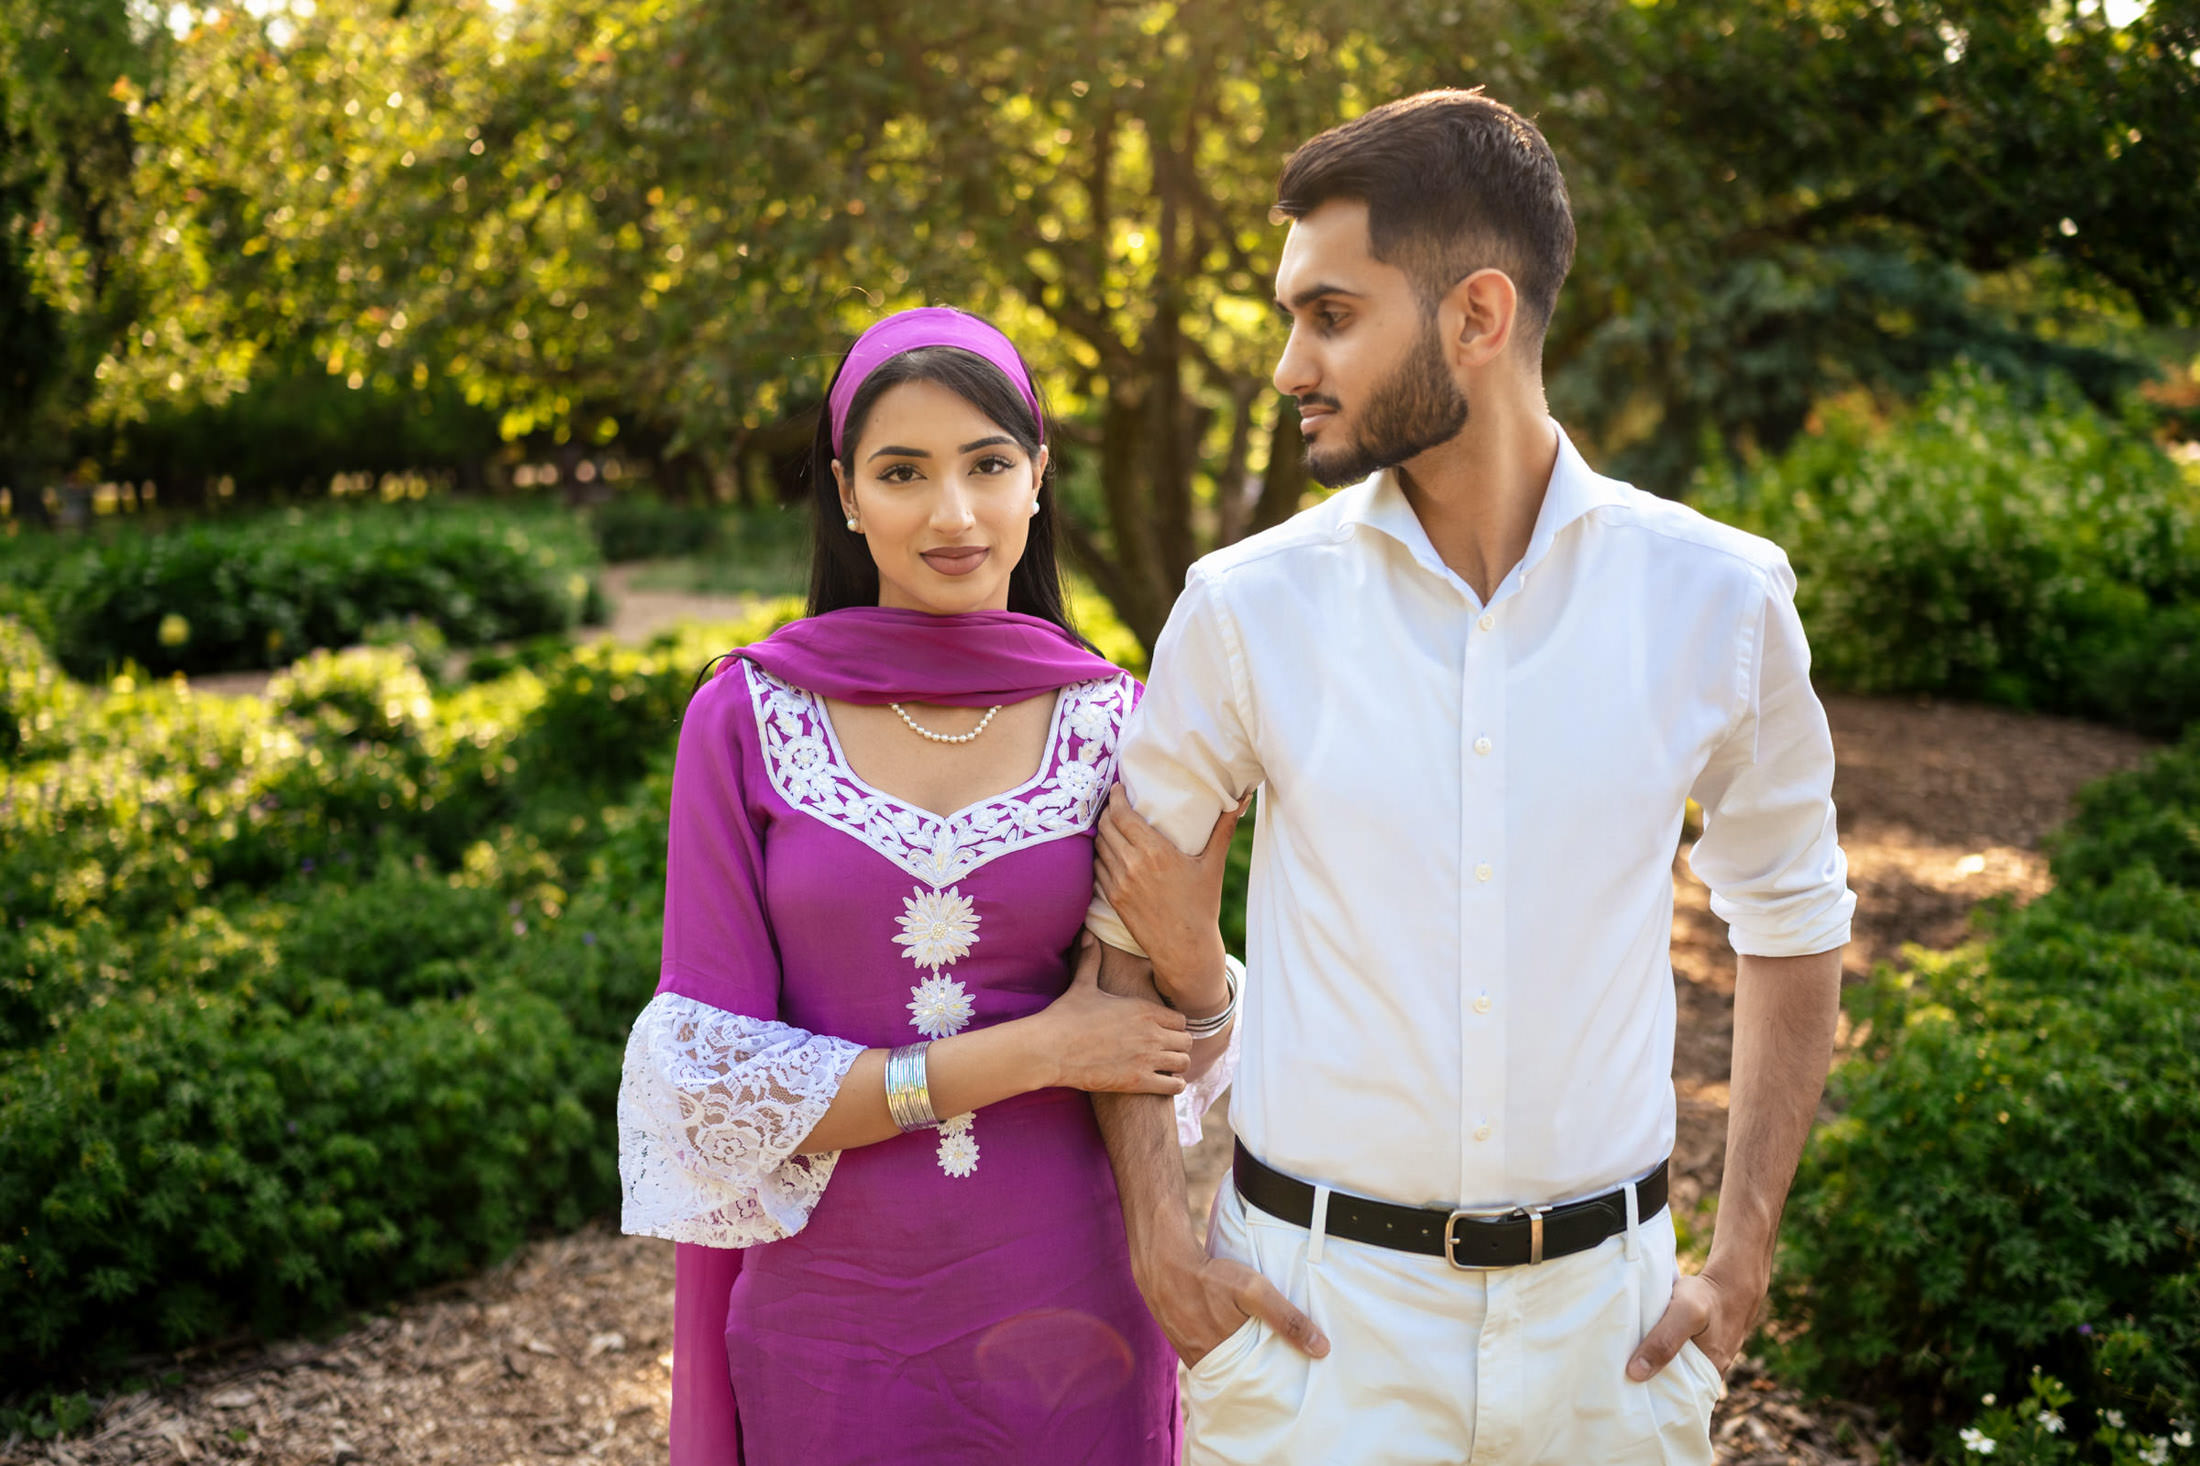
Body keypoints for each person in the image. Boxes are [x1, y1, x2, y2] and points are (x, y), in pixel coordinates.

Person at [1084, 90, 1856, 1465]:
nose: (1287, 364)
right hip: (1316, 1335)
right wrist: (1158, 1232)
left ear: (1477, 318)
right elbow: (1121, 944)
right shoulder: (1243, 608)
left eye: (1329, 315)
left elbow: (1793, 919)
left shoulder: (1720, 600)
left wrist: (1741, 1259)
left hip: (1607, 1351)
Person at [615, 306, 1236, 1465]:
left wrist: (1197, 978)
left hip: (1075, 1305)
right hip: (830, 1319)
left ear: (1039, 479)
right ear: (846, 492)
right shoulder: (748, 718)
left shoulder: (1118, 724)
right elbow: (714, 1091)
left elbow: (1161, 1045)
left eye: (988, 464)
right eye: (903, 471)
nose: (952, 514)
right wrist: (1042, 1049)